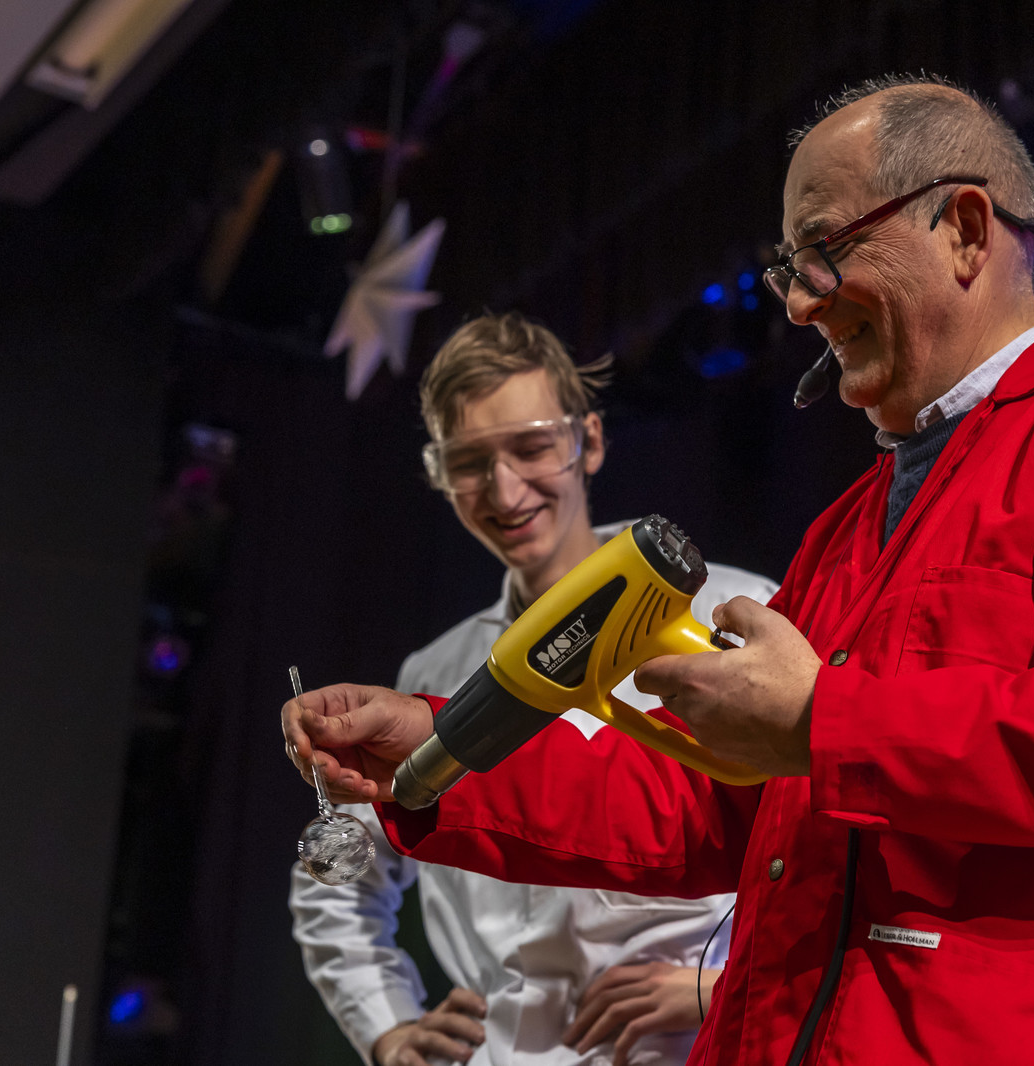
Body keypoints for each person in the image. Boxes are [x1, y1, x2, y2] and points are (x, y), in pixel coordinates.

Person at [284, 75, 1034, 1064]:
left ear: (963, 229)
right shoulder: (844, 529)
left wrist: (827, 719)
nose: (799, 306)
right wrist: (434, 755)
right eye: (790, 268)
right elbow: (703, 807)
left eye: (824, 251)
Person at [288, 311, 779, 1066]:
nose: (505, 488)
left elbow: (819, 836)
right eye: (469, 462)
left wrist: (729, 984)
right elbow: (337, 875)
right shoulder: (432, 676)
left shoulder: (731, 610)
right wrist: (387, 1028)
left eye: (531, 447)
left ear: (589, 442)